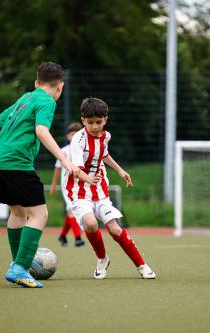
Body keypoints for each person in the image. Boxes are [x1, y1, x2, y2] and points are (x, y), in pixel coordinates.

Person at [0, 62, 79, 288]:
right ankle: (20, 267)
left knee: (18, 212)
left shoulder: (25, 98)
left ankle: (18, 265)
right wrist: (65, 160)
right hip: (16, 163)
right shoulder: (46, 101)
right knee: (40, 214)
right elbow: (41, 130)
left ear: (37, 82)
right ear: (61, 87)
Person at [67, 97, 156, 279]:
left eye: (99, 122)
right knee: (91, 224)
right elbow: (76, 170)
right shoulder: (78, 139)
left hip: (100, 192)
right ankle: (102, 258)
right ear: (83, 120)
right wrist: (89, 179)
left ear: (105, 120)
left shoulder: (105, 136)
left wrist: (121, 171)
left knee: (115, 229)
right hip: (80, 192)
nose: (94, 126)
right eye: (90, 122)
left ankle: (142, 265)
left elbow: (104, 155)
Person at [50, 122, 85, 247]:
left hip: (80, 185)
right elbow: (57, 169)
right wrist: (53, 185)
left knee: (73, 211)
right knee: (72, 211)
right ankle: (78, 239)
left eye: (77, 134)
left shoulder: (83, 150)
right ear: (67, 136)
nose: (74, 136)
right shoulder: (63, 151)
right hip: (67, 186)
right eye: (72, 134)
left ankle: (63, 236)